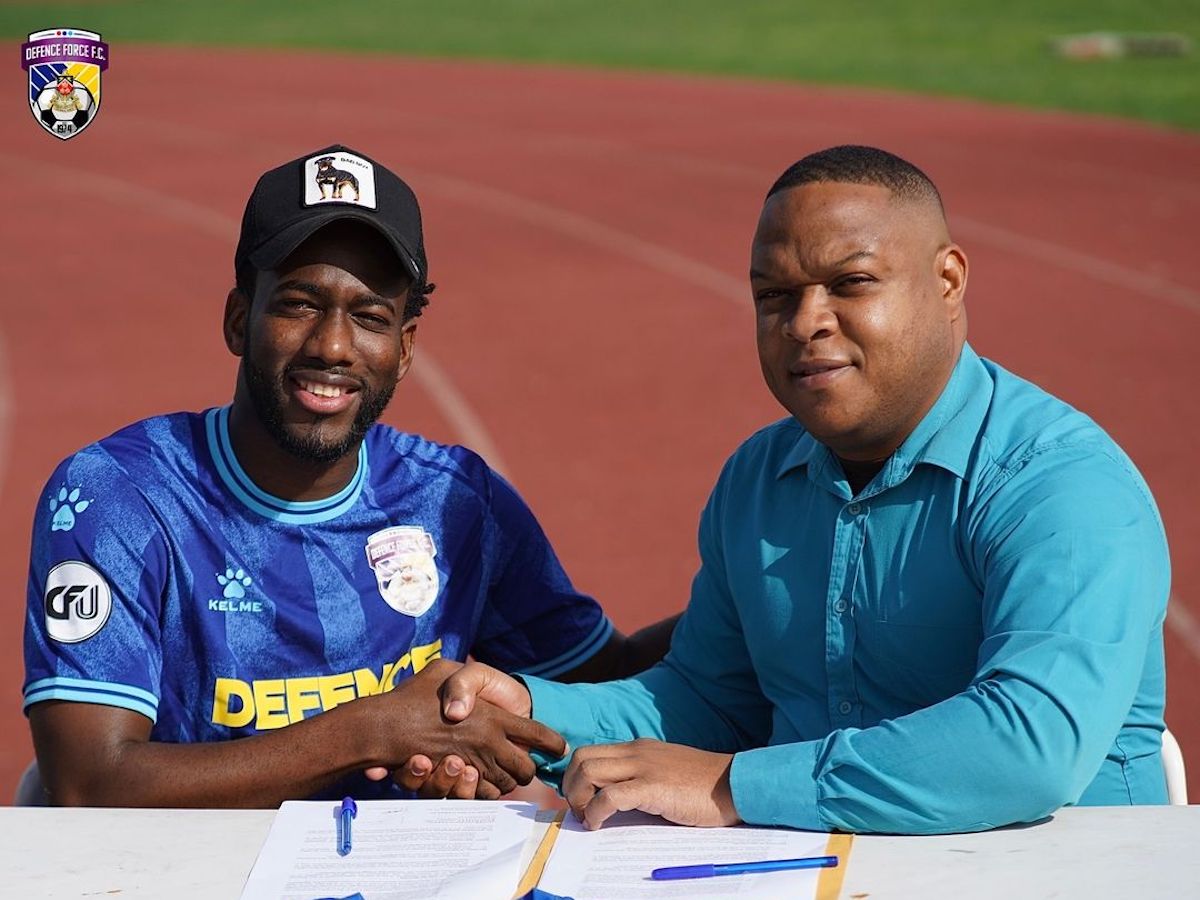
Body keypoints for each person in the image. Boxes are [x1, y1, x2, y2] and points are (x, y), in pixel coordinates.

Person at [431, 145, 1171, 834]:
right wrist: (526, 710)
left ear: (947, 281)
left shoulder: (1061, 483)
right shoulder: (757, 479)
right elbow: (709, 700)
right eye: (775, 294)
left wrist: (732, 787)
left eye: (850, 284)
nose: (805, 323)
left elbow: (1028, 745)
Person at [22, 144, 677, 807]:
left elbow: (609, 681)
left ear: (405, 348)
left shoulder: (454, 502)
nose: (332, 346)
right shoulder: (120, 496)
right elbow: (89, 782)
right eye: (301, 304)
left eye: (369, 317)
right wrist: (374, 729)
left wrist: (750, 599)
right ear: (239, 319)